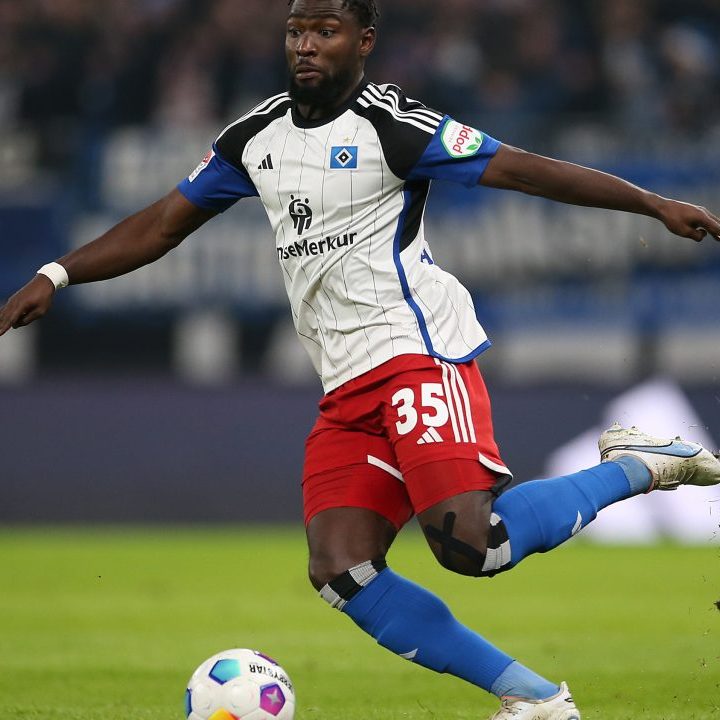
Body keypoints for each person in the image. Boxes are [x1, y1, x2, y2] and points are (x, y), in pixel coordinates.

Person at [2, 1, 720, 717]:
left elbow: (523, 171)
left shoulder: (394, 126)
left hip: (415, 352)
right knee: (341, 569)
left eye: (326, 31)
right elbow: (162, 224)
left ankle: (639, 464)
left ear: (364, 41)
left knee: (476, 544)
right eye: (296, 31)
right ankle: (533, 700)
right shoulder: (254, 137)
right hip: (345, 382)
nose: (306, 45)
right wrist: (57, 274)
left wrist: (652, 204)